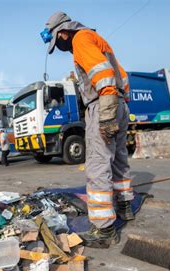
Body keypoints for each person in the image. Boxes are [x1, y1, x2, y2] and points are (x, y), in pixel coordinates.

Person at [41, 12, 134, 248]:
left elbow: (103, 77)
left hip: (103, 103)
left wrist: (105, 113)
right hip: (119, 102)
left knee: (97, 163)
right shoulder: (97, 39)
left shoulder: (80, 39)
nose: (60, 47)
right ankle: (125, 206)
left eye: (57, 41)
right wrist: (119, 105)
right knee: (119, 159)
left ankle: (104, 229)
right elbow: (121, 75)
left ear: (62, 33)